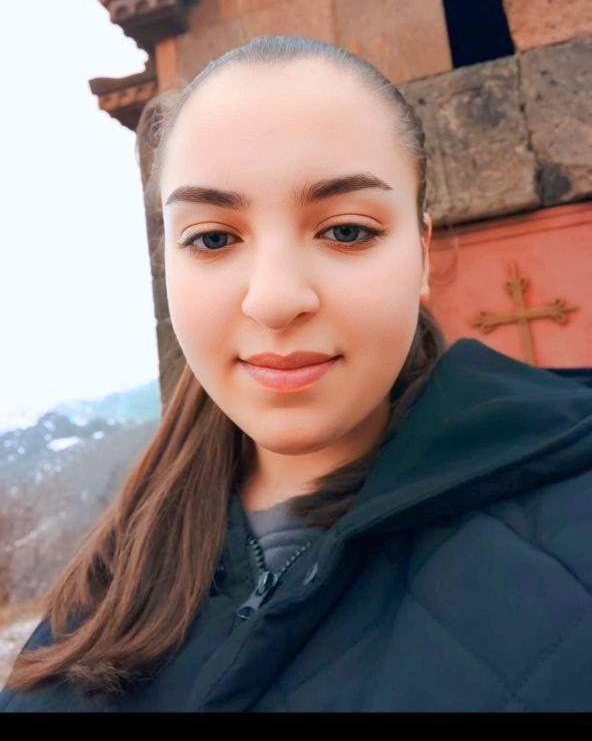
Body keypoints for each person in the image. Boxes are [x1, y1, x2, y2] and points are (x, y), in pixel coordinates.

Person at [1, 35, 591, 713]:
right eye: (213, 238)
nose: (275, 300)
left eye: (346, 230)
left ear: (423, 255)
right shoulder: (102, 594)